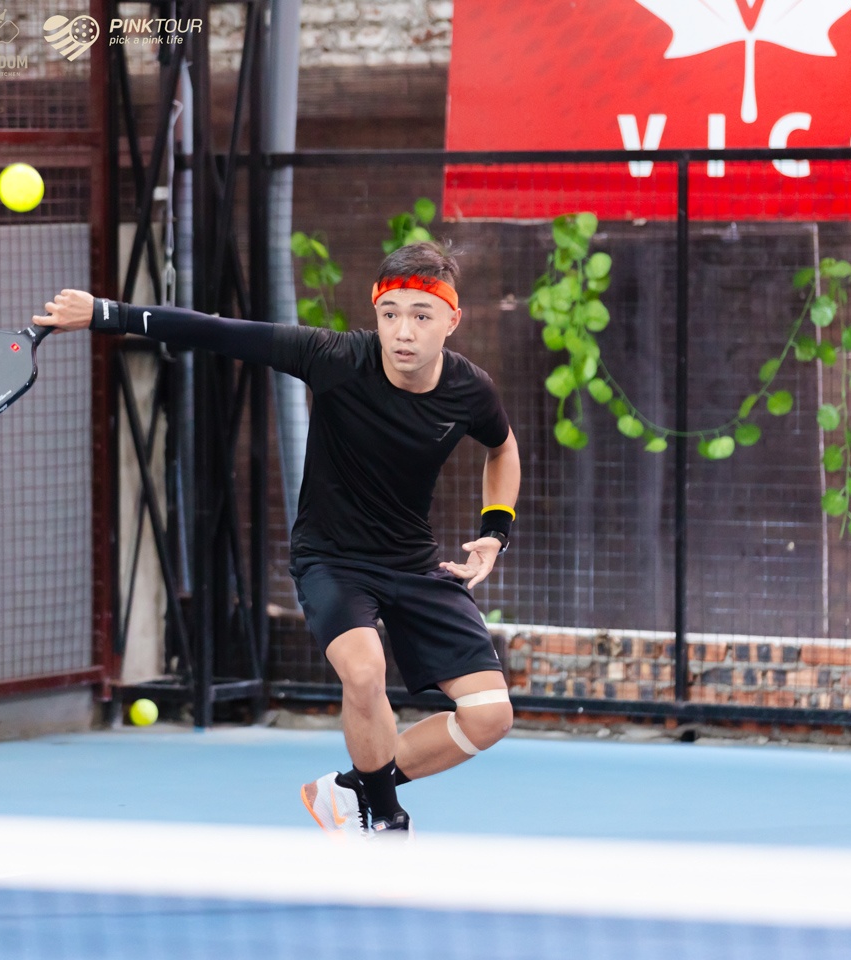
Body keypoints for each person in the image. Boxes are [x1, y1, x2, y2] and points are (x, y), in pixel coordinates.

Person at [35, 241, 520, 836]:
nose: (403, 331)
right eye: (390, 313)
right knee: (363, 672)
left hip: (413, 562)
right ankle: (383, 816)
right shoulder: (333, 358)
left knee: (490, 716)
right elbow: (217, 331)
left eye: (422, 315)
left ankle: (353, 789)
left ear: (452, 320)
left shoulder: (471, 390)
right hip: (332, 561)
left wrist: (495, 531)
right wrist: (104, 313)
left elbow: (502, 448)